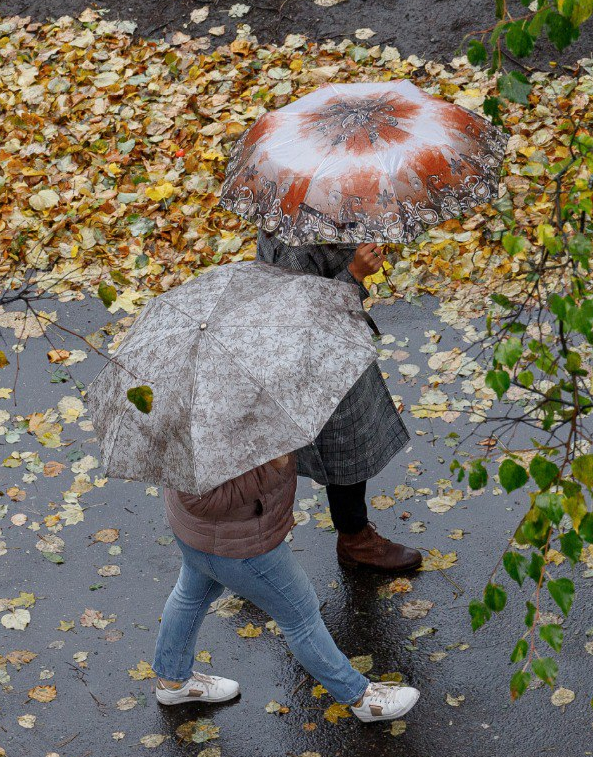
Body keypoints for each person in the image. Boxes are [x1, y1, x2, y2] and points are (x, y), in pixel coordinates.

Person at [151, 454, 420, 723]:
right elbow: (199, 499)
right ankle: (362, 698)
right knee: (301, 618)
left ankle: (173, 680)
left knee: (192, 594)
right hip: (240, 547)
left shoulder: (195, 424)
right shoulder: (209, 428)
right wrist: (272, 469)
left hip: (200, 535)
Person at [254, 231, 421, 572]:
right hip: (311, 360)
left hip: (337, 347)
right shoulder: (290, 238)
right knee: (330, 451)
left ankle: (352, 534)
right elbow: (300, 315)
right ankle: (349, 539)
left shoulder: (326, 210)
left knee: (344, 448)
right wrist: (355, 273)